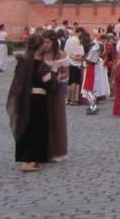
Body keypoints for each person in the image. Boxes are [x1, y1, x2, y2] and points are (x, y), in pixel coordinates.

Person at [7, 35, 53, 171]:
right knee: (36, 128)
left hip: (24, 98)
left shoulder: (23, 61)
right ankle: (30, 160)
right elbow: (49, 84)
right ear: (40, 47)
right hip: (38, 99)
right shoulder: (41, 65)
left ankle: (26, 158)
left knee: (25, 126)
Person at [41, 29, 69, 160]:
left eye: (47, 42)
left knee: (56, 118)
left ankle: (56, 149)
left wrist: (57, 77)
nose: (45, 45)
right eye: (43, 42)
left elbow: (66, 73)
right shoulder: (40, 54)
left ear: (53, 42)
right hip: (42, 90)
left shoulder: (60, 54)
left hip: (56, 89)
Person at [64, 27, 85, 105]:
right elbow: (80, 54)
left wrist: (70, 56)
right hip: (75, 63)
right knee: (74, 82)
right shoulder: (77, 41)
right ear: (79, 32)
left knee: (69, 81)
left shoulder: (69, 39)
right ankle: (73, 99)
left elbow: (65, 50)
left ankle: (68, 99)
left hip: (68, 61)